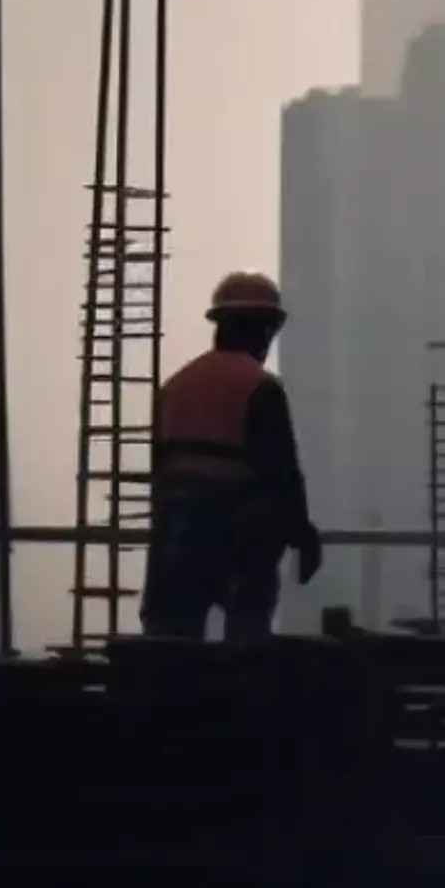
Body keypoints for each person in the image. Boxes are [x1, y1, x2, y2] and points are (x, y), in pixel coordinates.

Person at [140, 270, 325, 640]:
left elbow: (159, 468)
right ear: (265, 329)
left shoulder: (176, 385)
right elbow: (282, 472)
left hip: (176, 530)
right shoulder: (260, 387)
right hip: (238, 529)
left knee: (169, 642)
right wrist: (302, 534)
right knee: (247, 637)